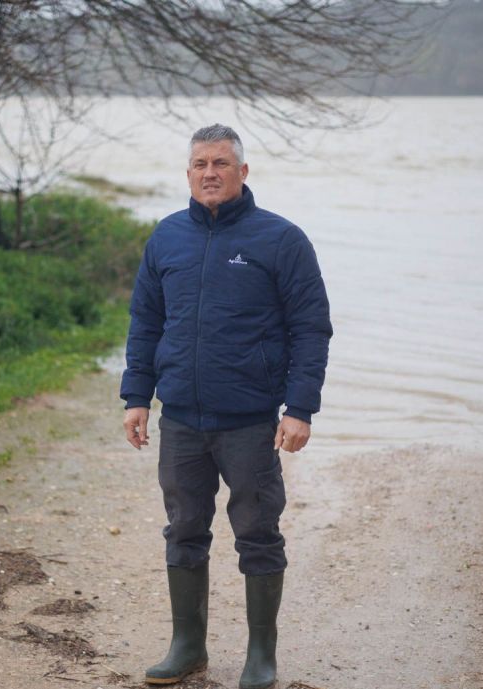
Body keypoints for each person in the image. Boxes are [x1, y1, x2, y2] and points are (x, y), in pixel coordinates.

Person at [120, 124, 332, 689]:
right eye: (198, 164)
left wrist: (300, 408)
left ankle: (261, 656)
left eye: (220, 163)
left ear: (243, 171)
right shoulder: (166, 238)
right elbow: (146, 322)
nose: (209, 172)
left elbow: (311, 329)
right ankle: (187, 647)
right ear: (187, 174)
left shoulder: (281, 240)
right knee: (184, 528)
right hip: (182, 419)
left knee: (258, 533)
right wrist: (136, 396)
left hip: (250, 421)